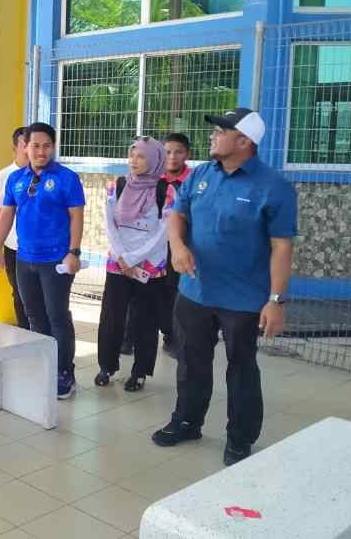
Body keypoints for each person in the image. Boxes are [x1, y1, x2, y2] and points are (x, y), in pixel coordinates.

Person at [151, 108, 297, 467]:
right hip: (195, 292)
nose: (213, 136)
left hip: (243, 299)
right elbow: (177, 215)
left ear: (244, 141)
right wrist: (178, 246)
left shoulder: (274, 187)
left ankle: (240, 436)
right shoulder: (201, 174)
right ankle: (187, 420)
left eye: (221, 131)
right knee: (191, 361)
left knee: (242, 367)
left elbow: (282, 246)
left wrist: (276, 300)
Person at [0, 122, 85, 400]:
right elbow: (6, 214)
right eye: (35, 145)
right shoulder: (16, 179)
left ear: (53, 147)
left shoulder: (67, 178)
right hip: (24, 259)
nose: (40, 151)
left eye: (46, 146)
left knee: (57, 316)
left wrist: (74, 252)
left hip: (56, 260)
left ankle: (64, 373)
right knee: (34, 316)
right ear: (25, 147)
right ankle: (43, 364)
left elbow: (76, 217)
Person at [94, 137, 176, 392]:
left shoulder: (166, 191)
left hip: (150, 266)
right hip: (118, 263)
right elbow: (109, 223)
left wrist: (133, 257)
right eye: (132, 155)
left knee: (144, 320)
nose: (134, 161)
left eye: (141, 156)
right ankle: (107, 366)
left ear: (154, 160)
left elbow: (164, 231)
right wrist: (122, 255)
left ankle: (140, 372)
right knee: (111, 317)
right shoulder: (116, 186)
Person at [122, 132, 193, 356]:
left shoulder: (193, 181)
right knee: (138, 291)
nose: (172, 157)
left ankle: (171, 336)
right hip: (149, 246)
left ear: (187, 155)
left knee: (171, 291)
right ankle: (129, 336)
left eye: (178, 152)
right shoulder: (151, 178)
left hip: (178, 245)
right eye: (167, 152)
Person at [0, 126, 29, 329]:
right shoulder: (4, 176)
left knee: (37, 295)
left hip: (39, 248)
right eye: (25, 144)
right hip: (12, 246)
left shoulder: (48, 175)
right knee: (19, 293)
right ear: (15, 148)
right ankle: (25, 332)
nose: (30, 148)